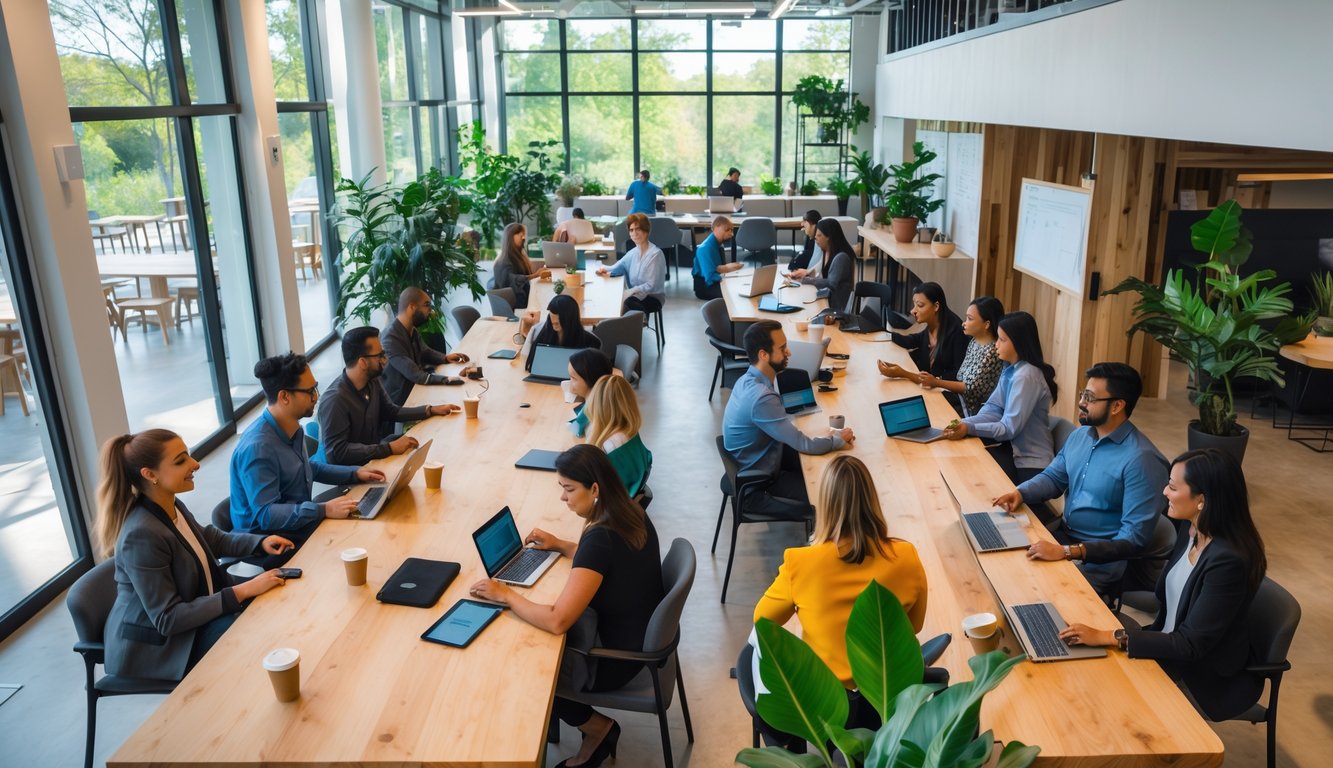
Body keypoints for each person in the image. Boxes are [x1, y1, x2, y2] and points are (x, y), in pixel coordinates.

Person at [469, 445, 663, 768]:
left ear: (595, 489)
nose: (563, 497)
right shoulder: (630, 510)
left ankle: (598, 729)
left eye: (569, 489)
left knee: (528, 665)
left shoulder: (599, 539)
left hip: (613, 660)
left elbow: (558, 620)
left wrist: (505, 595)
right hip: (636, 637)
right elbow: (604, 563)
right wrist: (560, 545)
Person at [1058, 449, 1267, 722]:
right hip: (1167, 647)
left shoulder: (1228, 561)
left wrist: (1109, 636)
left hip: (1200, 676)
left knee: (1099, 699)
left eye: (1172, 487)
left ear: (1202, 500)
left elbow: (1190, 645)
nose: (1164, 492)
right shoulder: (1191, 530)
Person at [99, 430, 292, 681]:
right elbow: (168, 619)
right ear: (150, 474)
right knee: (255, 639)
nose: (195, 464)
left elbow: (208, 538)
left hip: (191, 617)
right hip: (159, 646)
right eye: (181, 461)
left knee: (273, 612)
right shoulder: (141, 535)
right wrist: (243, 590)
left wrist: (260, 542)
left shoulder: (169, 503)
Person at [754, 455, 927, 730]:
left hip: (826, 707)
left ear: (825, 504)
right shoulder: (906, 556)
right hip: (889, 703)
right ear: (872, 500)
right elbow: (914, 626)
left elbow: (762, 620)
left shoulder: (800, 563)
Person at [992, 362, 1169, 595]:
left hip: (1097, 564)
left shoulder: (1142, 459)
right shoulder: (1081, 435)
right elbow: (1053, 478)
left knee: (1024, 590)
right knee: (1000, 562)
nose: (1082, 402)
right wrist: (1020, 492)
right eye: (1083, 394)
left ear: (1117, 406)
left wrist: (1067, 552)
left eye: (1090, 398)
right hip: (1064, 537)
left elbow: (1132, 540)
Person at [229, 353, 386, 559]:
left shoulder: (292, 427)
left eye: (315, 388)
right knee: (355, 539)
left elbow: (308, 468)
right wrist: (322, 510)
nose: (316, 396)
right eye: (310, 391)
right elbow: (266, 515)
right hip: (269, 542)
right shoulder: (258, 448)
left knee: (366, 522)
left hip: (295, 524)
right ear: (285, 397)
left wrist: (356, 473)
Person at [723, 320, 854, 519]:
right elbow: (804, 444)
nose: (789, 352)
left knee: (825, 470)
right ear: (763, 355)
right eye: (782, 348)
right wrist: (838, 440)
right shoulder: (761, 397)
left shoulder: (747, 380)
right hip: (758, 488)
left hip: (754, 465)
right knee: (835, 498)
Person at [317, 326, 460, 465]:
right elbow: (337, 453)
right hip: (358, 471)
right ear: (363, 362)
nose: (385, 359)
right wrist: (388, 448)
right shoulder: (335, 400)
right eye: (379, 355)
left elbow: (390, 411)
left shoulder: (371, 380)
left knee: (436, 442)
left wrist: (430, 410)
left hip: (377, 458)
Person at [943, 311, 1056, 484]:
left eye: (1002, 340)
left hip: (1030, 464)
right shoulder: (1011, 368)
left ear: (1018, 343)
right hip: (1012, 452)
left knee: (970, 474)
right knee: (964, 461)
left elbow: (1008, 428)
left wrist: (969, 427)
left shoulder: (1026, 376)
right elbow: (993, 409)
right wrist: (963, 424)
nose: (996, 344)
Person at [381, 287, 470, 407]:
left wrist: (445, 358)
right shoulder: (390, 338)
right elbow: (414, 374)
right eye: (427, 305)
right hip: (403, 401)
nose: (430, 310)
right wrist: (446, 379)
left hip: (416, 388)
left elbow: (425, 352)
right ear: (412, 307)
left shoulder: (411, 329)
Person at [917, 296, 1004, 416]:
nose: (964, 323)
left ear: (986, 324)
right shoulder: (974, 341)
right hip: (959, 397)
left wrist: (936, 382)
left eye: (970, 319)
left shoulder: (991, 352)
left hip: (971, 409)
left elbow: (968, 388)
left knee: (927, 404)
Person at [878, 282, 968, 384]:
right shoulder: (934, 322)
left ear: (936, 306)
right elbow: (915, 340)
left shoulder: (957, 331)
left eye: (920, 305)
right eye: (914, 305)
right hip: (929, 384)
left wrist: (902, 373)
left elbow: (958, 374)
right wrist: (887, 335)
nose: (913, 311)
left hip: (942, 388)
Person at [584, 374, 653, 497]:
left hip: (611, 501)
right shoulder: (629, 432)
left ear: (595, 406)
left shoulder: (609, 445)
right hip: (626, 496)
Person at [597, 212, 666, 315]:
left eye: (638, 229)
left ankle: (638, 322)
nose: (635, 233)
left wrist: (631, 291)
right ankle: (632, 322)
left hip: (652, 297)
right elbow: (618, 266)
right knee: (619, 299)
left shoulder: (655, 254)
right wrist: (604, 269)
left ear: (646, 231)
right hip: (635, 295)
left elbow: (652, 285)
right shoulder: (633, 252)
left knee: (628, 302)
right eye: (631, 230)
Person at [519, 294, 603, 372]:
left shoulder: (591, 341)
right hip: (544, 376)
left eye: (558, 323)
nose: (555, 326)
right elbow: (530, 363)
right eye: (552, 322)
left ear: (570, 320)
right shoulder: (539, 333)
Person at [797, 218, 855, 315]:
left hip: (837, 310)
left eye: (819, 235)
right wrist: (805, 274)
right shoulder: (826, 252)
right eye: (816, 236)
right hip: (828, 302)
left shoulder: (841, 258)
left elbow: (831, 283)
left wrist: (806, 279)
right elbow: (819, 272)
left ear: (829, 237)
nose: (816, 239)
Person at [492, 222, 549, 309]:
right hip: (515, 305)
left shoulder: (519, 255)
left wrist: (537, 273)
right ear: (510, 237)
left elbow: (524, 274)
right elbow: (512, 280)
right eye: (520, 235)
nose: (523, 238)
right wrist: (534, 275)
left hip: (522, 298)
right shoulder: (503, 262)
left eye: (523, 235)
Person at [691, 215, 743, 300]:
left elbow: (717, 268)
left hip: (715, 281)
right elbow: (710, 278)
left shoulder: (718, 245)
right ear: (716, 228)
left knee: (740, 287)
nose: (732, 234)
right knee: (735, 293)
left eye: (731, 230)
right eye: (727, 230)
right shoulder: (705, 249)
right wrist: (727, 273)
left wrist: (726, 270)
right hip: (706, 287)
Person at [567, 348, 615, 438]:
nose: (570, 382)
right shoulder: (606, 399)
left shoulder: (593, 408)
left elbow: (575, 429)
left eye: (573, 378)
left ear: (589, 380)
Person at [785, 210, 823, 275]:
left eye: (805, 221)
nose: (802, 224)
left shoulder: (820, 244)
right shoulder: (814, 242)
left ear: (813, 225)